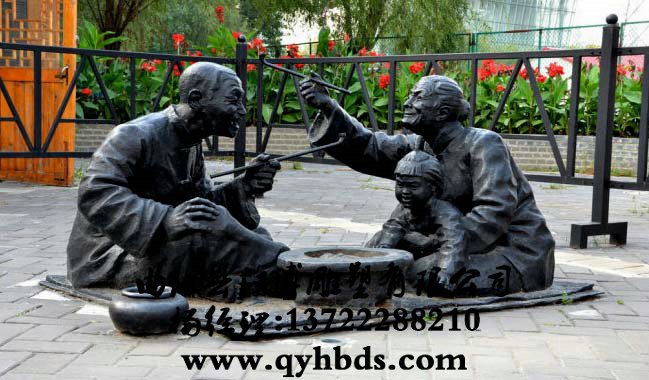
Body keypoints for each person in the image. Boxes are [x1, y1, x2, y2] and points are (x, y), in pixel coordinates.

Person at [300, 74, 555, 295]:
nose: (407, 103)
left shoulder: (485, 144)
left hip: (511, 250)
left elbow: (494, 212)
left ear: (442, 112)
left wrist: (433, 243)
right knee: (376, 254)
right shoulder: (418, 145)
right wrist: (330, 107)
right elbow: (370, 146)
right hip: (447, 239)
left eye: (417, 98)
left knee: (417, 274)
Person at [67, 62, 288, 300]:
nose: (242, 111)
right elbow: (95, 191)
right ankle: (289, 270)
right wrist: (165, 219)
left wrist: (243, 186)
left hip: (162, 244)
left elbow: (201, 204)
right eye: (233, 100)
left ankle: (274, 272)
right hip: (109, 256)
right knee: (204, 241)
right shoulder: (134, 135)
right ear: (196, 100)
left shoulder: (191, 140)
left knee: (253, 234)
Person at [367, 148, 467, 292]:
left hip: (433, 251)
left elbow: (453, 243)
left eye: (413, 186)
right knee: (379, 237)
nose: (405, 192)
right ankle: (366, 270)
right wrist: (385, 246)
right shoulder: (404, 207)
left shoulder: (445, 212)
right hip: (411, 247)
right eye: (400, 185)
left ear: (432, 187)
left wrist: (446, 270)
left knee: (424, 272)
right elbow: (393, 226)